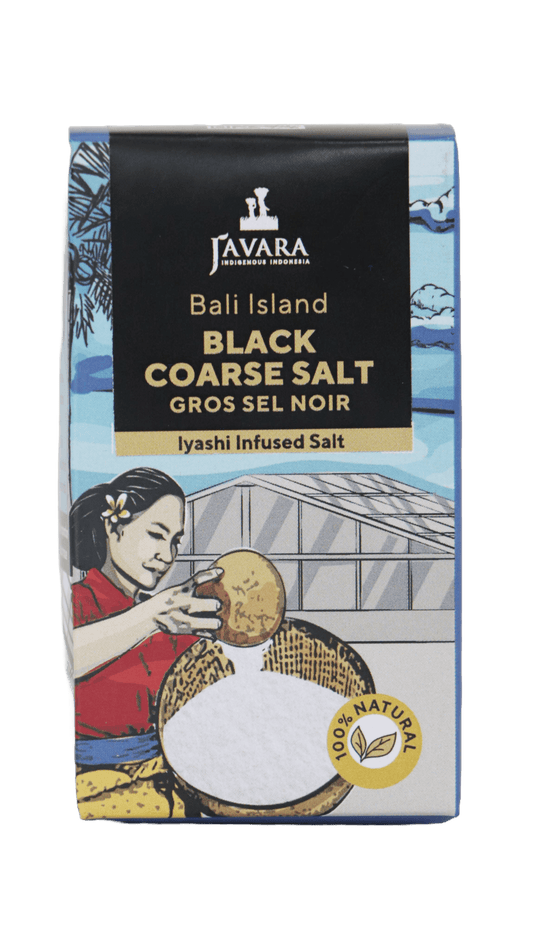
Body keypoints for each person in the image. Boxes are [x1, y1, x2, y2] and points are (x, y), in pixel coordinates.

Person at [70, 467, 222, 820]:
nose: (167, 556)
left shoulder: (173, 624)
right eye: (156, 534)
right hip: (91, 794)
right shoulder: (74, 604)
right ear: (113, 528)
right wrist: (151, 616)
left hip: (171, 790)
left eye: (175, 541)